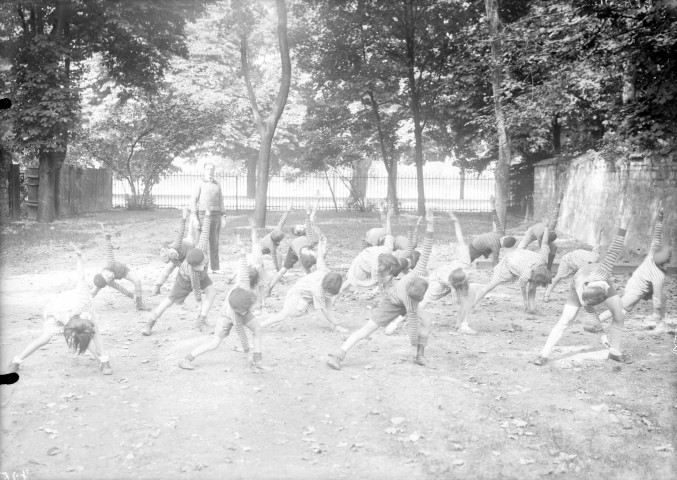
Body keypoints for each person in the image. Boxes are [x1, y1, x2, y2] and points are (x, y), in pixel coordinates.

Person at [326, 209, 435, 370]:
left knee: (426, 319)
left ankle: (419, 355)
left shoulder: (416, 273)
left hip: (398, 295)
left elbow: (426, 248)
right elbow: (412, 325)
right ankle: (338, 355)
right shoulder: (408, 300)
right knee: (367, 330)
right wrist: (413, 340)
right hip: (391, 303)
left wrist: (430, 226)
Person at [533, 206, 632, 366]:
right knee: (565, 321)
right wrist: (601, 334)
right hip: (580, 285)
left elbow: (614, 249)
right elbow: (591, 311)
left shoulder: (604, 272)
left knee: (619, 314)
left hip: (599, 279)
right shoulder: (582, 292)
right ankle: (543, 354)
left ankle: (614, 351)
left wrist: (624, 225)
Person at [7, 245, 113, 375]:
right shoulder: (62, 313)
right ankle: (17, 360)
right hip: (54, 313)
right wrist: (84, 343)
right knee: (45, 338)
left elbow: (81, 277)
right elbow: (81, 337)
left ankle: (104, 360)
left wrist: (79, 259)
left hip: (77, 310)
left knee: (95, 331)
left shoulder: (82, 298)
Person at [178, 231, 264, 371]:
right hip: (226, 317)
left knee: (258, 329)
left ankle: (258, 361)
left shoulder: (244, 286)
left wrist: (242, 250)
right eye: (243, 312)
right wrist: (247, 352)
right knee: (214, 344)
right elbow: (242, 334)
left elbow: (243, 268)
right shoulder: (236, 314)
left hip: (240, 305)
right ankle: (186, 359)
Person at [386, 211, 478, 336]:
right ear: (459, 284)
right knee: (421, 303)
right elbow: (460, 304)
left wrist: (456, 222)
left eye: (466, 273)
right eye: (467, 276)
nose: (468, 273)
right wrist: (457, 320)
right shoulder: (452, 285)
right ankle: (395, 323)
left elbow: (460, 240)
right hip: (437, 280)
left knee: (472, 290)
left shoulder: (464, 260)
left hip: (440, 276)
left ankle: (464, 325)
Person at [592, 200, 671, 335]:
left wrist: (660, 216)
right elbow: (656, 298)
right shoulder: (659, 276)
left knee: (662, 297)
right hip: (637, 289)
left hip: (641, 284)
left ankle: (658, 321)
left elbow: (656, 236)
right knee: (621, 307)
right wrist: (657, 312)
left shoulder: (653, 254)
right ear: (666, 262)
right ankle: (596, 323)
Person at [142, 209, 217, 335]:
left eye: (205, 261)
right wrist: (199, 306)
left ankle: (201, 321)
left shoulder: (202, 247)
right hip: (184, 281)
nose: (205, 264)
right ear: (195, 267)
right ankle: (150, 321)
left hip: (201, 276)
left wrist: (208, 215)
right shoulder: (192, 271)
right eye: (202, 265)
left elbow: (205, 231)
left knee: (212, 292)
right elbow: (197, 290)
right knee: (169, 301)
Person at [260, 226, 347, 335]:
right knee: (284, 314)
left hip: (307, 291)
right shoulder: (318, 289)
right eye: (328, 291)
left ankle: (334, 325)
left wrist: (320, 242)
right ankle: (260, 325)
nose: (329, 294)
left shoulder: (324, 271)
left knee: (328, 300)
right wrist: (332, 319)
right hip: (297, 294)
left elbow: (320, 256)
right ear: (324, 287)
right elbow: (323, 309)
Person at [471, 217, 553, 314]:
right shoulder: (526, 274)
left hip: (521, 256)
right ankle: (471, 304)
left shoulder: (543, 258)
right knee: (491, 285)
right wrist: (524, 301)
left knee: (532, 286)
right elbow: (522, 287)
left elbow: (544, 242)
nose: (538, 285)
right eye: (538, 283)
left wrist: (547, 227)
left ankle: (532, 308)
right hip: (508, 264)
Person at [339, 205, 400, 299]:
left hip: (372, 251)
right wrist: (384, 288)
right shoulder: (375, 263)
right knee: (352, 279)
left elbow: (388, 233)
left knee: (386, 279)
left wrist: (387, 216)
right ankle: (338, 293)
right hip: (363, 257)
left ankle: (387, 296)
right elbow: (378, 280)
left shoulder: (388, 248)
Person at [266, 200, 319, 295]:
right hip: (295, 250)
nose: (301, 226)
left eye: (300, 226)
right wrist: (308, 211)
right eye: (299, 228)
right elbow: (309, 218)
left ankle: (269, 288)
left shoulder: (307, 234)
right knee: (285, 270)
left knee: (307, 268)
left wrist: (316, 202)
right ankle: (270, 288)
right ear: (299, 233)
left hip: (301, 251)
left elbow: (311, 216)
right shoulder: (309, 237)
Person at [91, 224, 148, 311]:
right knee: (94, 291)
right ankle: (86, 303)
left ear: (104, 272)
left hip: (124, 271)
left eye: (107, 276)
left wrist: (107, 238)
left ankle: (139, 303)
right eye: (109, 279)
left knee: (137, 280)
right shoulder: (109, 281)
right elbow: (120, 289)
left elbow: (108, 250)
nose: (110, 276)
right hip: (103, 280)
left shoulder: (109, 263)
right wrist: (132, 296)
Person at [543, 227, 603, 302]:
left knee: (585, 282)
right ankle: (546, 295)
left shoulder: (596, 256)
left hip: (577, 262)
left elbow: (597, 243)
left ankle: (584, 296)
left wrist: (599, 232)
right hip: (567, 261)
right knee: (557, 278)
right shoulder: (585, 267)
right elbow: (580, 279)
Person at [190, 162, 227, 274]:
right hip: (202, 215)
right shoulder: (199, 183)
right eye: (207, 169)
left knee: (214, 243)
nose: (210, 171)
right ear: (204, 170)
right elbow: (193, 200)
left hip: (216, 216)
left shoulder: (217, 184)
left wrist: (223, 216)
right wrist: (194, 217)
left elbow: (221, 200)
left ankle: (215, 268)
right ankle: (199, 266)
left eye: (212, 169)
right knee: (200, 242)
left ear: (214, 170)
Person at [152, 207, 194, 296]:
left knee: (192, 270)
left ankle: (198, 285)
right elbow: (180, 266)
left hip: (190, 249)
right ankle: (157, 287)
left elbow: (181, 231)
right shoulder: (170, 255)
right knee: (169, 269)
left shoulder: (177, 244)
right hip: (181, 254)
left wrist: (184, 217)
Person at [468, 196, 516, 267]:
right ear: (503, 246)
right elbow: (496, 260)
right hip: (474, 248)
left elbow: (496, 218)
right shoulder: (496, 246)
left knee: (493, 258)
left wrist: (492, 204)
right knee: (472, 263)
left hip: (484, 246)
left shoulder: (500, 233)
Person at [517, 196, 562, 271]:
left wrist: (558, 203)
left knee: (554, 247)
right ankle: (517, 265)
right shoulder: (540, 235)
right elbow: (542, 249)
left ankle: (549, 269)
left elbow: (555, 216)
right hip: (531, 233)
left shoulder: (551, 227)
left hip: (543, 233)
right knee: (521, 247)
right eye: (548, 241)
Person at [258, 203, 293, 272]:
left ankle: (279, 272)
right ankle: (278, 272)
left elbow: (282, 221)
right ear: (276, 241)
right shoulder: (272, 246)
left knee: (279, 255)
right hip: (260, 250)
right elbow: (274, 259)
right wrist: (277, 269)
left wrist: (287, 210)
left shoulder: (277, 231)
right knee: (257, 263)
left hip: (265, 246)